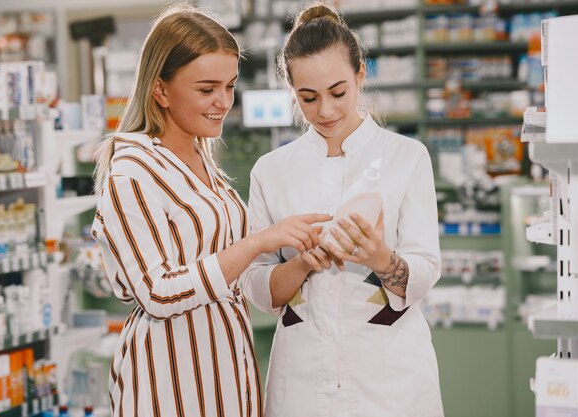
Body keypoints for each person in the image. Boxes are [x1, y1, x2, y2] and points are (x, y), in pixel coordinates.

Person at [90, 4, 330, 416]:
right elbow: (158, 293)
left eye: (230, 86)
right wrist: (258, 242)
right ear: (160, 90)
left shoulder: (202, 161)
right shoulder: (132, 172)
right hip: (169, 382)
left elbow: (226, 267)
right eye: (206, 89)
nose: (223, 102)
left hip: (226, 373)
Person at [241, 3, 444, 417]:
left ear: (360, 75)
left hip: (390, 381)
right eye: (308, 98)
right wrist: (301, 264)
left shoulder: (407, 157)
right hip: (301, 383)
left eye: (338, 92)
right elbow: (257, 286)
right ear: (291, 90)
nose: (326, 111)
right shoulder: (271, 171)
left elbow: (424, 271)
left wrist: (379, 257)